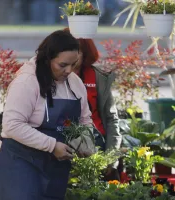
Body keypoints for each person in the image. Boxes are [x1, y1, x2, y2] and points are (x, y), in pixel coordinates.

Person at [0, 30, 93, 200]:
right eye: (62, 65)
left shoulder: (75, 84)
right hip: (20, 163)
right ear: (47, 59)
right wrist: (52, 145)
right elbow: (12, 125)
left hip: (56, 167)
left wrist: (85, 141)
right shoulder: (27, 82)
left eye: (74, 64)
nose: (69, 70)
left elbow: (85, 119)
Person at [64, 28, 122, 180]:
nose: (73, 56)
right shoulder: (55, 77)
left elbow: (111, 119)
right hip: (64, 150)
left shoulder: (98, 78)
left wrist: (111, 158)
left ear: (86, 53)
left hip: (97, 147)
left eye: (78, 51)